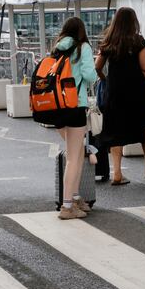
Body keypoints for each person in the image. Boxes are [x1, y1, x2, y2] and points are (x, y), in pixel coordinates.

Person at [95, 7, 145, 184]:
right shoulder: (138, 41)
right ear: (133, 21)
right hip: (137, 92)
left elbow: (97, 66)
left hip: (115, 93)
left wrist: (105, 79)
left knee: (115, 132)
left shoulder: (109, 42)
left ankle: (117, 174)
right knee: (144, 130)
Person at [51, 17, 98, 220]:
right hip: (75, 105)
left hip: (57, 107)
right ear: (81, 31)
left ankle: (76, 197)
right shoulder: (83, 47)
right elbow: (89, 75)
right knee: (73, 157)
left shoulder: (57, 48)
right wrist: (94, 71)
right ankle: (67, 205)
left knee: (76, 154)